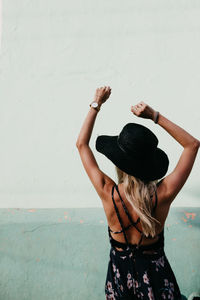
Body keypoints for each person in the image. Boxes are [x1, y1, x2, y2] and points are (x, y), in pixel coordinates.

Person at [76, 86, 199, 299]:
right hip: (159, 284)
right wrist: (154, 116)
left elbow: (81, 144)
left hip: (119, 284)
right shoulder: (163, 194)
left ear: (119, 162)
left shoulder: (108, 192)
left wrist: (96, 103)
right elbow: (192, 145)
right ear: (149, 164)